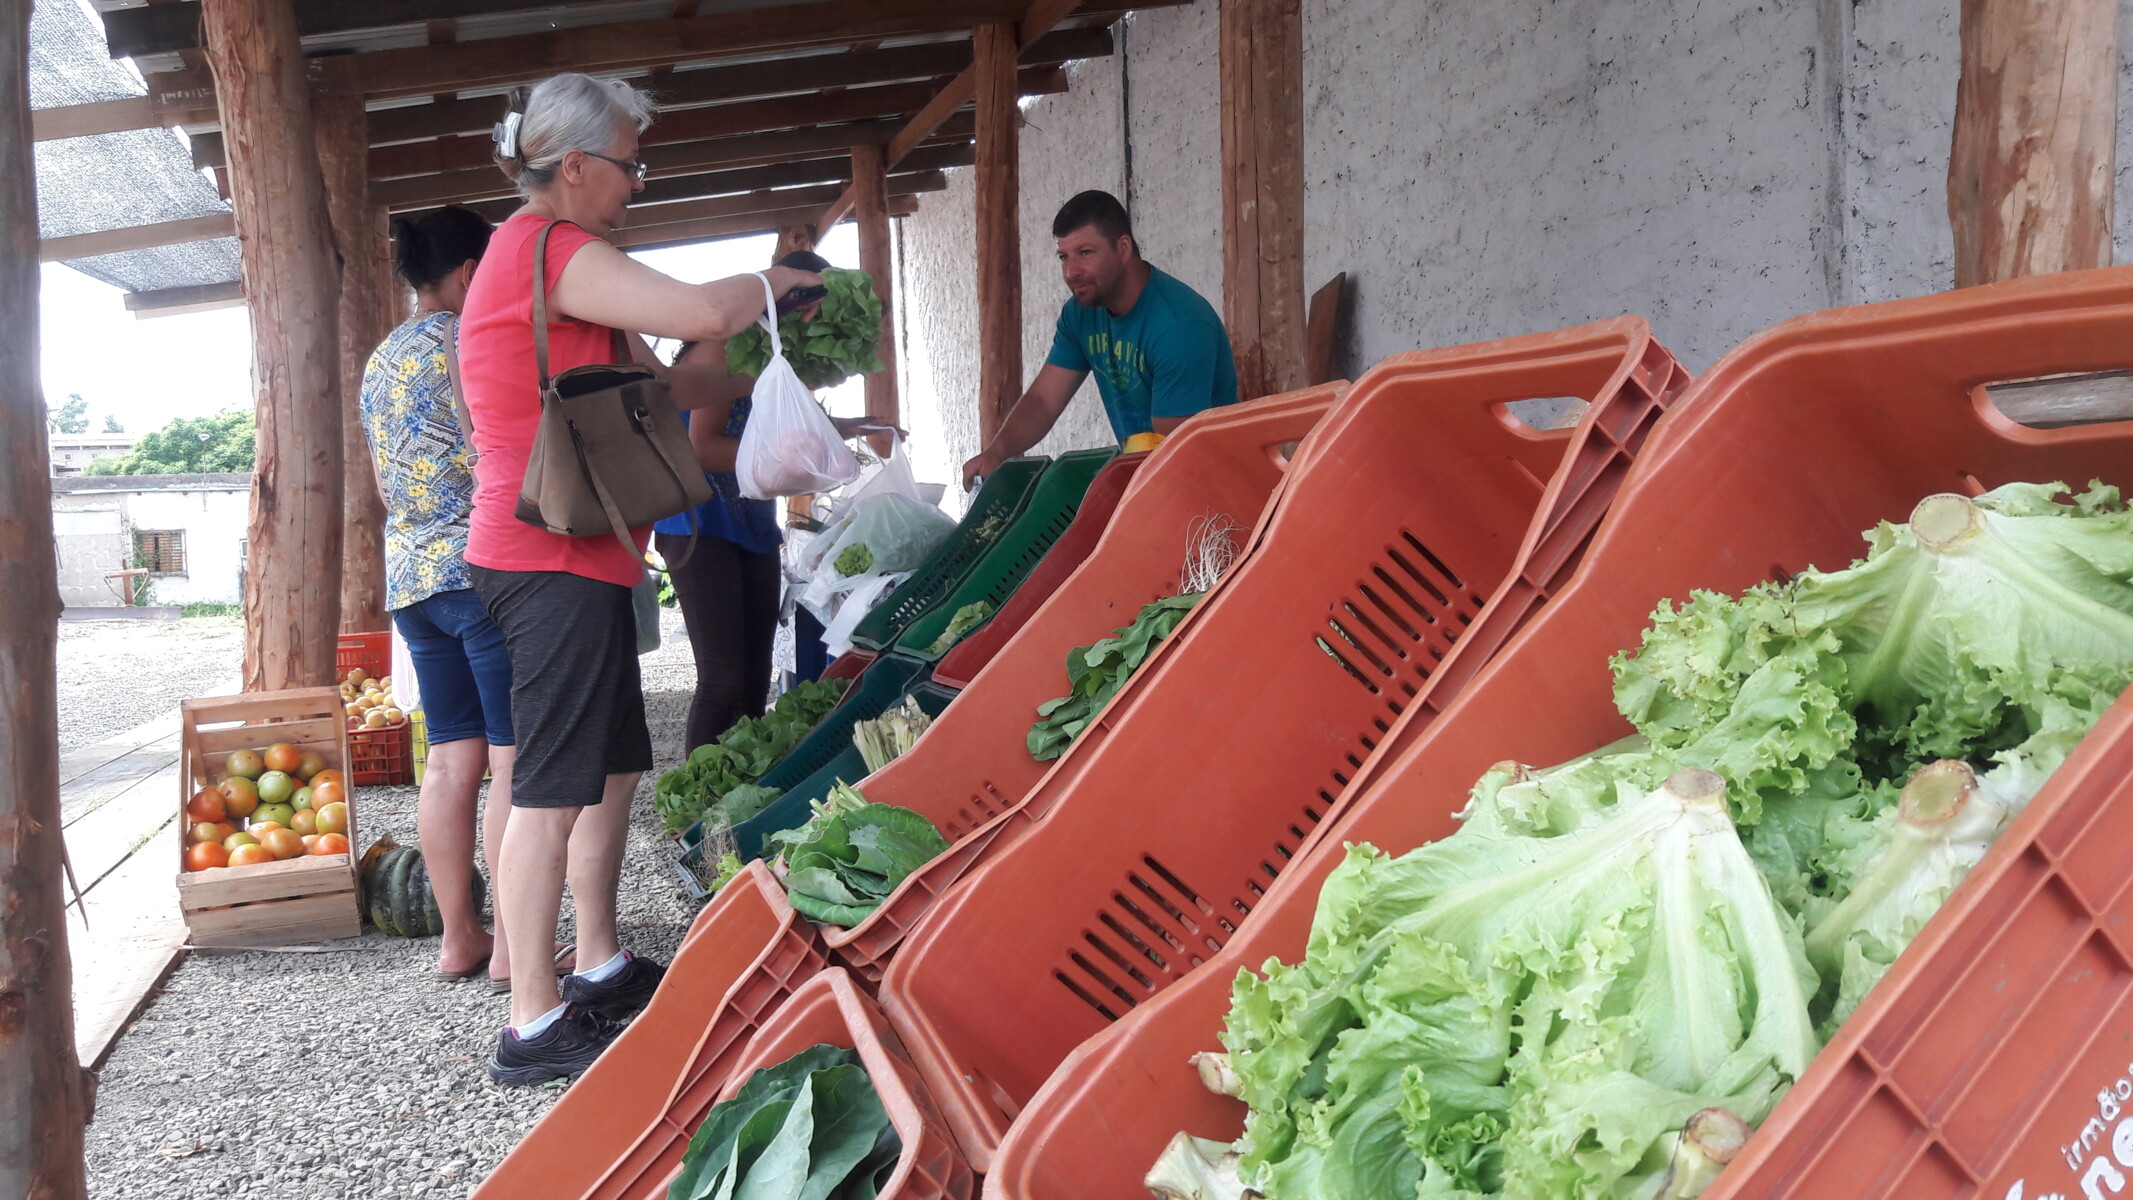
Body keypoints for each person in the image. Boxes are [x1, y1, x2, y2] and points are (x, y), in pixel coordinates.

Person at [457, 72, 823, 1085]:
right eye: (629, 164)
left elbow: (672, 385)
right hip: (546, 559)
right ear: (574, 167)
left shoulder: (560, 264)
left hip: (586, 554)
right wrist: (778, 280)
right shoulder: (547, 248)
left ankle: (599, 961)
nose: (636, 184)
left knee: (612, 769)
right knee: (550, 788)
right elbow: (704, 307)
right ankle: (532, 1022)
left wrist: (778, 383)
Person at [358, 205, 523, 991]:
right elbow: (494, 446)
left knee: (452, 758)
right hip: (477, 568)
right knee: (513, 759)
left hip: (411, 578)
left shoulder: (381, 358)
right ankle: (516, 951)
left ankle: (460, 937)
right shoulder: (469, 338)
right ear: (467, 272)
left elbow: (384, 479)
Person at [655, 250, 878, 747]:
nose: (816, 319)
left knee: (754, 682)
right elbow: (703, 447)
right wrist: (792, 459)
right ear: (785, 295)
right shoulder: (722, 345)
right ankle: (697, 794)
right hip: (698, 525)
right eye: (811, 305)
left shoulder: (775, 345)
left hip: (751, 525)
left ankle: (745, 789)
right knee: (722, 681)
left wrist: (839, 429)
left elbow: (775, 428)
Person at [961, 190, 1240, 490]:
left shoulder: (1179, 327)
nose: (1071, 272)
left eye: (1085, 253)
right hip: (1151, 479)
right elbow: (1044, 400)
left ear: (1123, 248)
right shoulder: (1080, 315)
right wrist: (998, 451)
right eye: (1064, 257)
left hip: (1213, 492)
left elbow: (1173, 454)